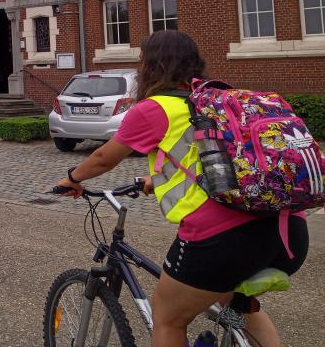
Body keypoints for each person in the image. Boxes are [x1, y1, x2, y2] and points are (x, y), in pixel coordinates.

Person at [53, 30, 308, 347]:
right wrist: (155, 180)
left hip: (225, 239)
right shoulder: (214, 102)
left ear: (151, 67)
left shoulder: (153, 108)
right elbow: (213, 159)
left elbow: (104, 158)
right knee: (237, 301)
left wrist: (72, 178)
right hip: (288, 231)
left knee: (168, 318)